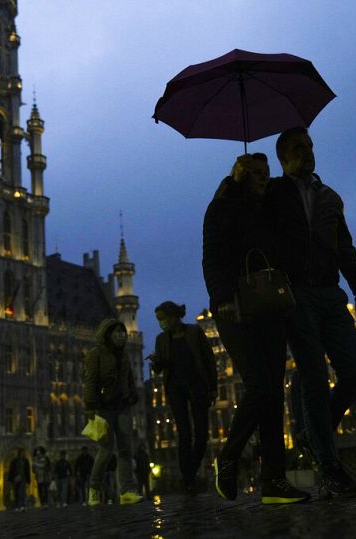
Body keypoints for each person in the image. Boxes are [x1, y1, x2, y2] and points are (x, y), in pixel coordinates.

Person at [265, 126, 356, 498]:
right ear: (283, 158)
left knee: (355, 372)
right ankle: (329, 468)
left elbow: (346, 248)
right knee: (312, 376)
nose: (307, 153)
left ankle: (313, 434)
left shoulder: (330, 198)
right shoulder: (274, 195)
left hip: (330, 292)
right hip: (295, 295)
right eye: (298, 148)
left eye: (309, 147)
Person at [203, 153, 310, 504]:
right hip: (235, 307)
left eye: (266, 173)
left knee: (273, 394)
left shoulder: (271, 208)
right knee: (259, 385)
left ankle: (273, 481)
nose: (264, 179)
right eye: (257, 174)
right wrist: (222, 298)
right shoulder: (221, 208)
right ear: (241, 175)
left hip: (270, 306)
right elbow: (213, 257)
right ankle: (229, 455)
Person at [151, 301, 217, 494]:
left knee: (202, 435)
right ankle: (188, 480)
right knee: (184, 434)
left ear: (173, 316)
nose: (161, 323)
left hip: (197, 386)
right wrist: (156, 362)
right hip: (175, 389)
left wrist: (212, 387)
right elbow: (160, 368)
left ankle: (189, 470)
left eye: (162, 319)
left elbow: (208, 359)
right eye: (158, 320)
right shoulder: (161, 339)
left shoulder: (194, 332)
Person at [83, 318, 144, 506]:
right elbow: (91, 380)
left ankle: (126, 491)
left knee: (126, 449)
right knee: (106, 450)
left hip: (123, 406)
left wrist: (133, 395)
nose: (121, 335)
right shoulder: (96, 354)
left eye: (123, 332)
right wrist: (90, 406)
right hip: (104, 407)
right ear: (107, 334)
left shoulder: (124, 355)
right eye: (117, 332)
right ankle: (94, 489)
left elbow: (130, 378)